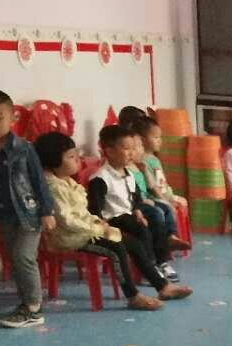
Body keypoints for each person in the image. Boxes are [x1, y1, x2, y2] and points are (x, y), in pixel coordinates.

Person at [33, 131, 171, 310]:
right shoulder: (53, 187)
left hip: (84, 232)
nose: (77, 160)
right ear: (53, 161)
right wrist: (96, 228)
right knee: (116, 249)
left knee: (133, 243)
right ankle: (133, 296)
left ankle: (162, 286)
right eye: (71, 156)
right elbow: (67, 221)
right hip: (70, 237)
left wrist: (97, 223)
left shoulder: (67, 181)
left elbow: (83, 212)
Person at [88, 125, 192, 295]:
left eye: (132, 148)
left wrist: (137, 210)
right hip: (112, 219)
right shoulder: (100, 178)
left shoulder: (128, 173)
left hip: (129, 214)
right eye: (126, 149)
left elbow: (135, 197)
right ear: (110, 151)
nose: (131, 153)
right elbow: (95, 209)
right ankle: (150, 267)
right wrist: (103, 224)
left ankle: (161, 262)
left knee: (153, 219)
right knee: (141, 228)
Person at [0, 89, 55, 327]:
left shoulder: (24, 148)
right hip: (4, 215)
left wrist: (47, 211)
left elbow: (38, 181)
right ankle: (25, 303)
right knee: (14, 259)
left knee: (23, 257)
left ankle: (34, 308)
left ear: (12, 118)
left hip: (29, 213)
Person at [134, 115, 191, 231]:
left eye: (160, 137)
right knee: (170, 208)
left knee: (183, 202)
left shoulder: (154, 159)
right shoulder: (143, 161)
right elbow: (151, 187)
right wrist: (166, 200)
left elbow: (161, 182)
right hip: (156, 197)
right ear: (142, 140)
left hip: (165, 194)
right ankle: (172, 234)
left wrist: (170, 196)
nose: (160, 140)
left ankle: (180, 233)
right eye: (155, 137)